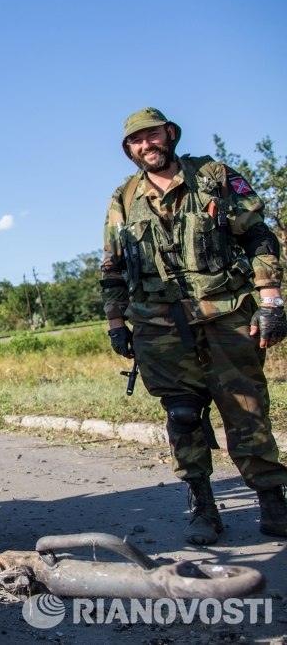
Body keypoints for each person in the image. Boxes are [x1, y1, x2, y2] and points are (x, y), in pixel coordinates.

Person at [101, 108, 287, 545]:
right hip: (159, 326)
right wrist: (115, 323)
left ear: (169, 134)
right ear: (129, 151)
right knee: (182, 416)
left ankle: (272, 498)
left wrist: (271, 299)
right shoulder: (124, 198)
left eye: (152, 136)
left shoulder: (213, 176)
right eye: (136, 141)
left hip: (225, 315)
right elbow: (112, 267)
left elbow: (258, 236)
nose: (146, 145)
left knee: (246, 407)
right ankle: (202, 503)